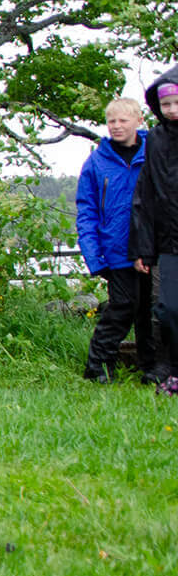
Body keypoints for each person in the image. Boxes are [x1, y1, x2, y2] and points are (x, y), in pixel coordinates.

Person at [77, 97, 151, 383]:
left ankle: (151, 368)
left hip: (152, 247)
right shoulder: (97, 162)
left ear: (139, 120)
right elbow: (87, 210)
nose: (117, 126)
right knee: (123, 307)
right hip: (116, 249)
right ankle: (97, 367)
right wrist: (94, 256)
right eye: (111, 121)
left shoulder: (155, 153)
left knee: (150, 310)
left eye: (123, 120)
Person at [130, 71, 178, 393]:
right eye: (166, 104)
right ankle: (175, 371)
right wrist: (142, 249)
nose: (172, 109)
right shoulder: (156, 141)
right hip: (169, 243)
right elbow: (145, 198)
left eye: (177, 103)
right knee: (169, 309)